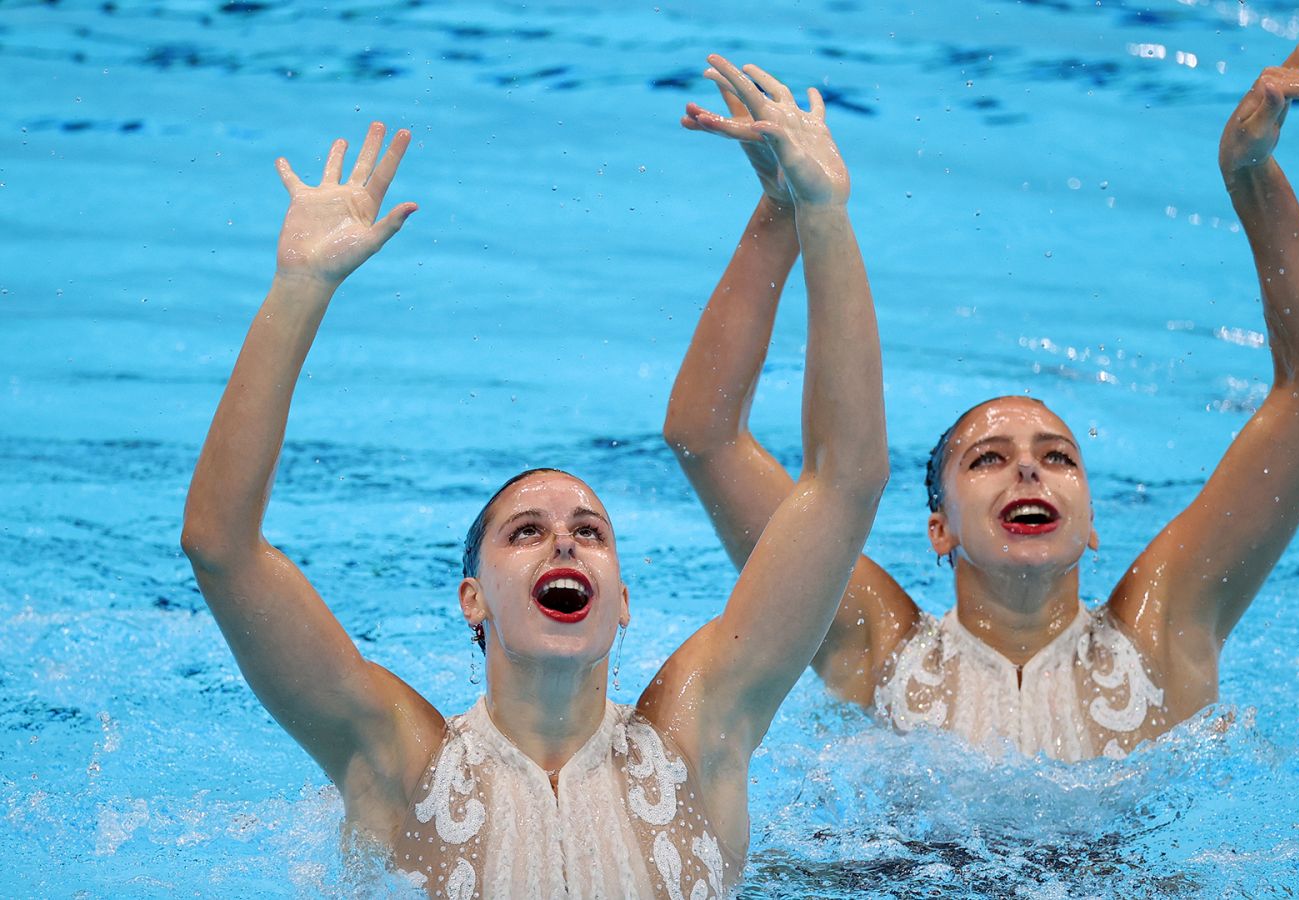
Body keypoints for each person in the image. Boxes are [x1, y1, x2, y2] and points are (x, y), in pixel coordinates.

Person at [181, 55, 887, 899]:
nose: (565, 540)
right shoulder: (397, 759)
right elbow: (220, 547)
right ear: (472, 598)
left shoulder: (703, 736)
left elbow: (845, 484)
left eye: (590, 531)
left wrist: (821, 213)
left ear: (623, 600)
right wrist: (297, 291)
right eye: (527, 531)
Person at [664, 22, 1299, 762]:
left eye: (1059, 458)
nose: (1029, 471)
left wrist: (1251, 175)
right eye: (988, 459)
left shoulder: (1167, 627)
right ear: (940, 530)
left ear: (1092, 522)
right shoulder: (871, 643)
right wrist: (782, 208)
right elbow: (705, 437)